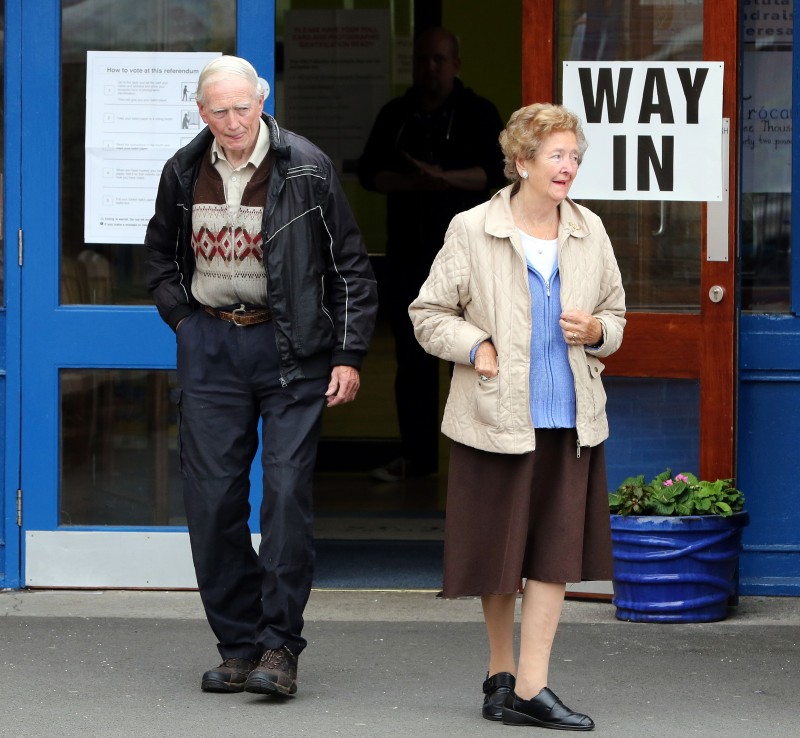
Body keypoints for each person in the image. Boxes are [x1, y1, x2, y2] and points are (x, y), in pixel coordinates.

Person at [145, 56, 377, 697]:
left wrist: (349, 354)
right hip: (213, 347)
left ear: (262, 102)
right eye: (219, 110)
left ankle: (279, 648)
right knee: (212, 503)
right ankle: (239, 645)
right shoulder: (182, 170)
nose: (233, 121)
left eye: (242, 107)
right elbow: (159, 258)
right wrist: (186, 324)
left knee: (283, 501)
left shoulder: (306, 167)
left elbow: (350, 268)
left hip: (291, 353)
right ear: (202, 113)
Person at [409, 103, 626, 730]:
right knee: (497, 556)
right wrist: (474, 345)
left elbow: (616, 317)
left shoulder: (590, 231)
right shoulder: (472, 228)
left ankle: (533, 685)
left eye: (574, 156)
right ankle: (500, 677)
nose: (569, 167)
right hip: (495, 415)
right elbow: (428, 314)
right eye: (556, 155)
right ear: (523, 161)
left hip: (569, 418)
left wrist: (597, 330)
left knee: (553, 553)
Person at [357, 26, 506, 482]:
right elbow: (369, 174)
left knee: (478, 357)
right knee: (414, 360)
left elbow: (496, 174)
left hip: (475, 260)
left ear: (456, 65)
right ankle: (417, 460)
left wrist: (443, 178)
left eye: (440, 60)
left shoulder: (478, 113)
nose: (431, 69)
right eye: (424, 60)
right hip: (409, 257)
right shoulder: (396, 114)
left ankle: (483, 463)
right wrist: (412, 183)